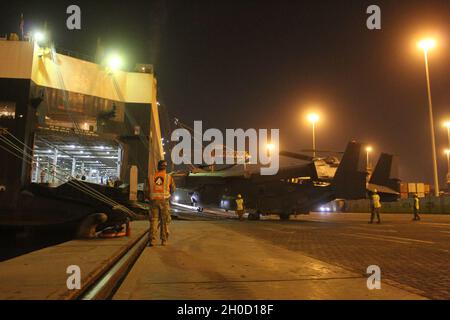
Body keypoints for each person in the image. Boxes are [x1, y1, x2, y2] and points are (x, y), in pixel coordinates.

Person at [148, 160, 176, 246]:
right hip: (164, 201)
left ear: (158, 167)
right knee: (165, 221)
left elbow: (146, 190)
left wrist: (150, 197)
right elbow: (173, 189)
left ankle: (152, 240)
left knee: (154, 220)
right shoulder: (169, 177)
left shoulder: (151, 177)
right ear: (165, 167)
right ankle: (164, 240)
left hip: (153, 201)